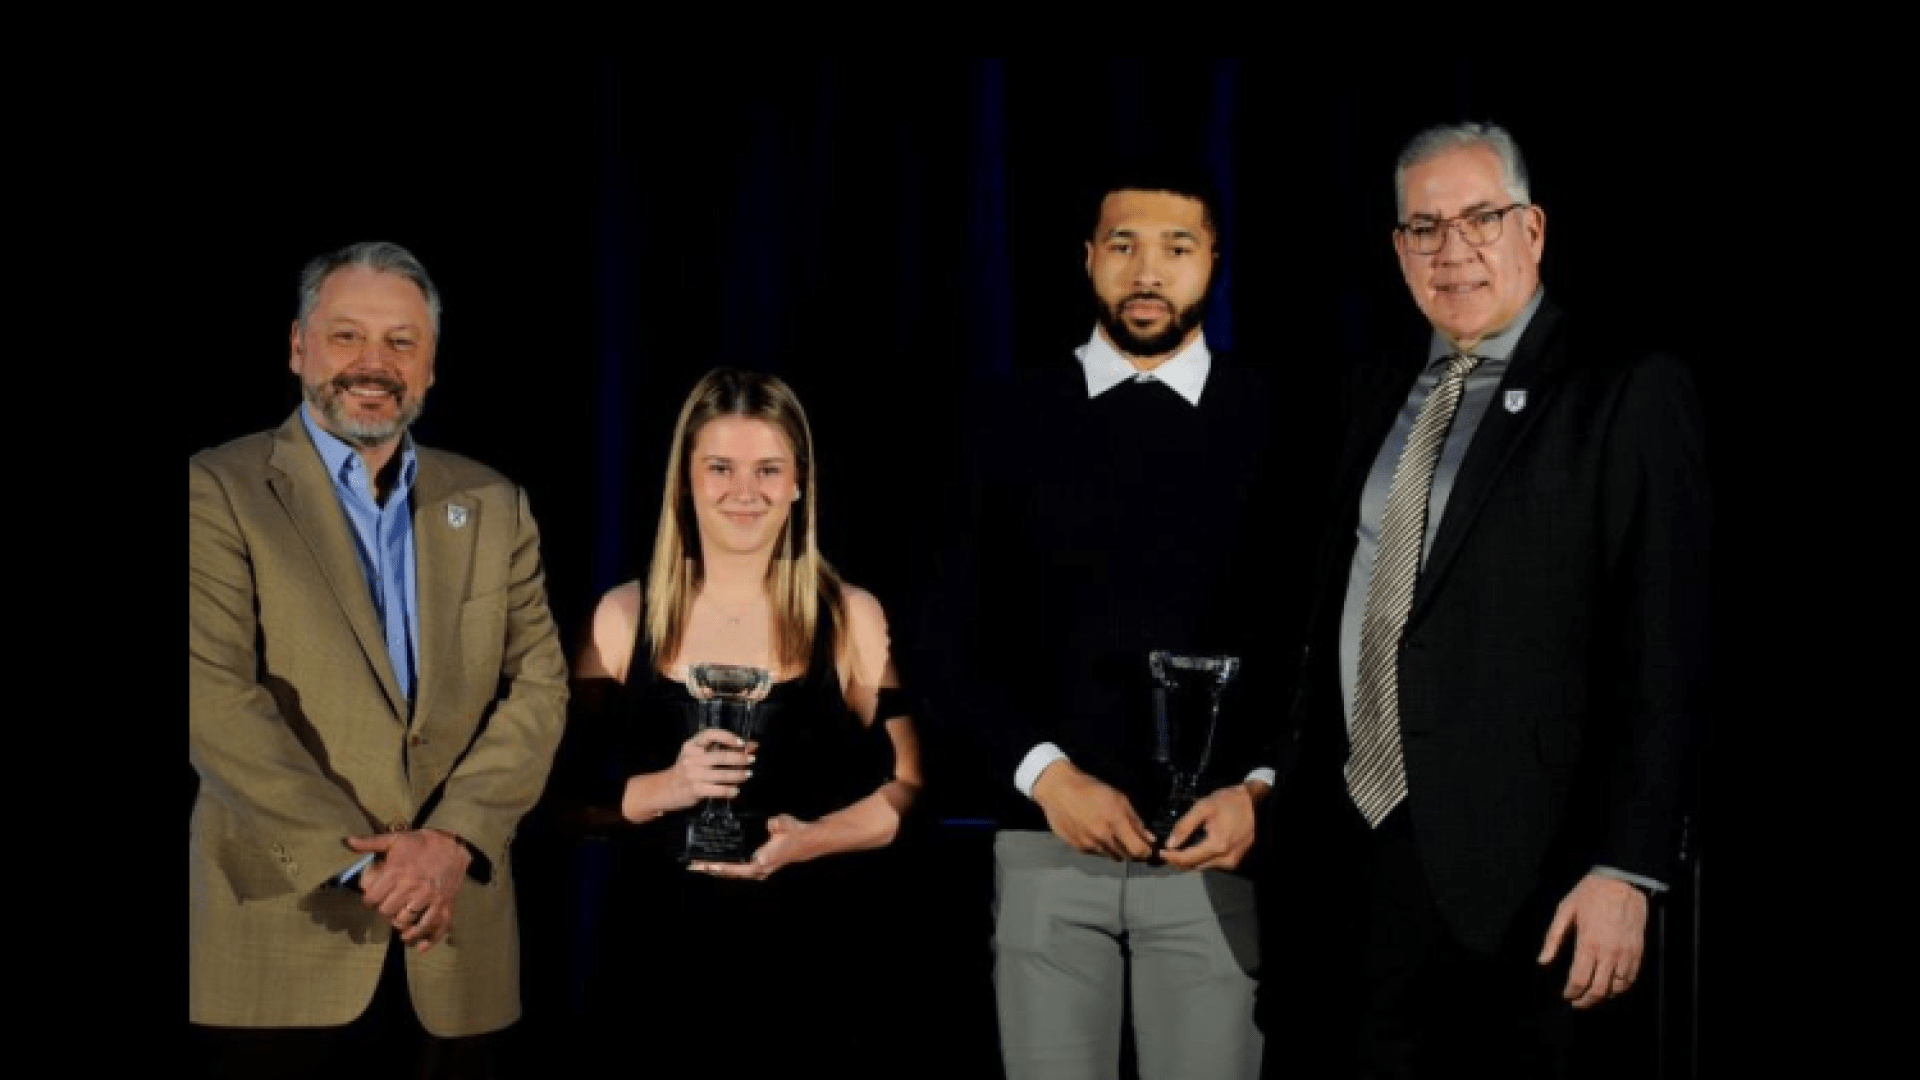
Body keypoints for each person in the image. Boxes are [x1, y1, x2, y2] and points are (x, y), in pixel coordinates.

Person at [1256, 121, 1711, 1079]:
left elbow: (1664, 645)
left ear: (1533, 228)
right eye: (1424, 228)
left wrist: (1627, 866)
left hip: (1534, 881)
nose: (1452, 249)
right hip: (1356, 858)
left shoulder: (1624, 391)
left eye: (1481, 218)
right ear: (1397, 248)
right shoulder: (1372, 389)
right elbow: (1321, 609)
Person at [917, 166, 1304, 1080]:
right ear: (1090, 260)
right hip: (1044, 843)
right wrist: (1046, 777)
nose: (1147, 270)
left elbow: (1319, 635)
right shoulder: (1001, 415)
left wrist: (1260, 789)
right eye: (1124, 244)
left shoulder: (1282, 422)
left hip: (1218, 857)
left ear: (1213, 262)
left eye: (1177, 247)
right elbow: (941, 634)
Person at [188, 241, 571, 1078]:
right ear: (297, 347)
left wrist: (453, 843)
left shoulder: (494, 503)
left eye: (402, 342)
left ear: (432, 365)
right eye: (347, 336)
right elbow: (210, 697)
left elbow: (538, 687)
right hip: (282, 945)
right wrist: (370, 863)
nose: (374, 364)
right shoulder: (216, 489)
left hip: (454, 948)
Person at [554, 366, 923, 1079]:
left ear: (798, 482)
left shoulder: (851, 618)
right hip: (651, 974)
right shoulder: (621, 617)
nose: (743, 492)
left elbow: (916, 786)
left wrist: (814, 840)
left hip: (811, 973)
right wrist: (658, 789)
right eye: (719, 467)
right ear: (685, 480)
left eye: (767, 469)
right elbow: (557, 803)